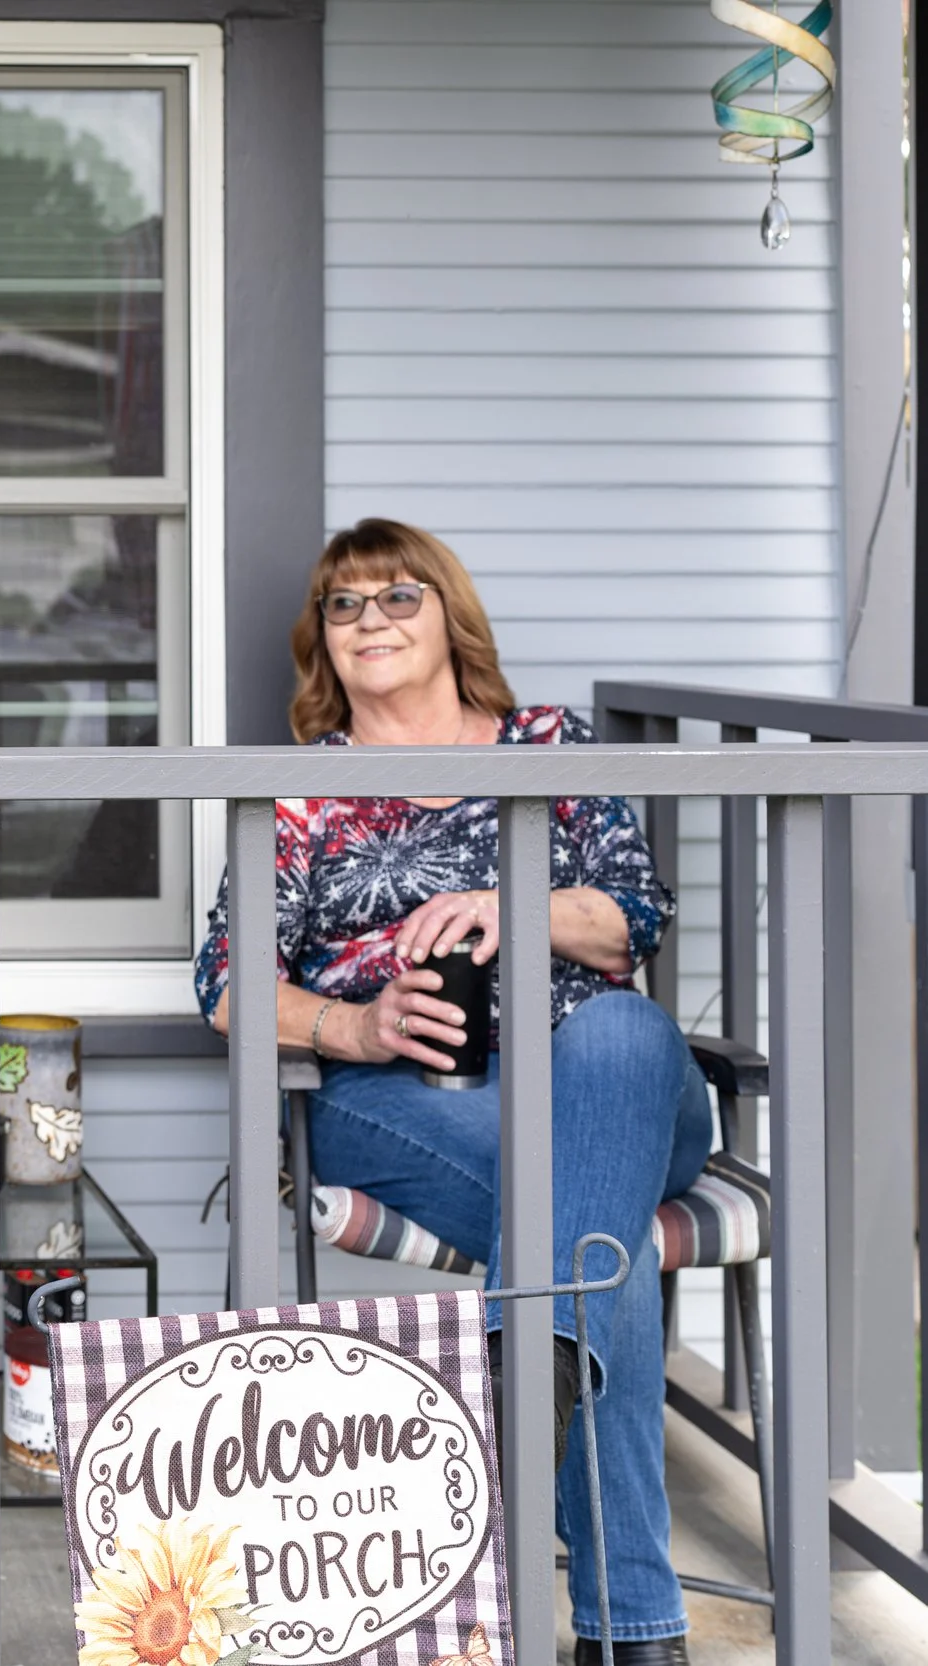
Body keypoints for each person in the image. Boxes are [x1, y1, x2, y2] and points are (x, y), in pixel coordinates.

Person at [195, 519, 708, 1666]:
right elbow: (226, 982)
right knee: (589, 1244)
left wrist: (511, 899)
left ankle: (532, 1362)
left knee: (619, 1034)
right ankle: (632, 1630)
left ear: (448, 617)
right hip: (412, 1095)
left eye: (397, 596)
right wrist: (354, 1023)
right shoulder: (301, 796)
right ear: (320, 645)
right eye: (343, 605)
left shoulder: (545, 745)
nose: (369, 618)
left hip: (607, 1081)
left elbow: (638, 914)